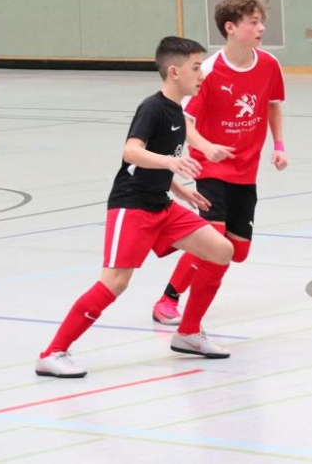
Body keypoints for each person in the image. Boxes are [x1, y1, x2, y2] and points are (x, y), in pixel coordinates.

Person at [35, 36, 235, 379]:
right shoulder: (152, 107)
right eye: (196, 68)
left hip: (162, 205)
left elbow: (157, 163)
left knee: (221, 250)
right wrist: (170, 164)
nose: (202, 75)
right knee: (115, 282)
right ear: (174, 72)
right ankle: (53, 353)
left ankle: (188, 333)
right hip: (132, 206)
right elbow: (132, 152)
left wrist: (178, 189)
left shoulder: (177, 112)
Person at [151, 0, 287, 325]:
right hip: (211, 168)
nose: (261, 28)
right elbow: (185, 121)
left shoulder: (269, 64)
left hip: (246, 169)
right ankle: (169, 299)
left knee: (236, 251)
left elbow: (272, 105)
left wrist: (279, 146)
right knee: (214, 240)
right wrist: (207, 147)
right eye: (253, 22)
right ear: (230, 27)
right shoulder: (209, 71)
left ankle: (185, 251)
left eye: (261, 21)